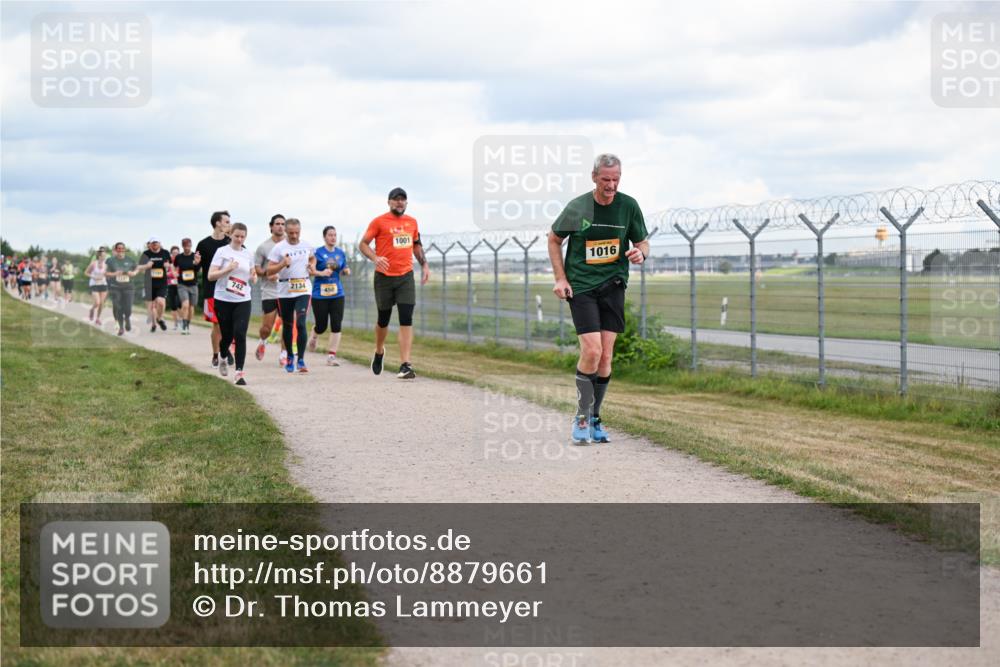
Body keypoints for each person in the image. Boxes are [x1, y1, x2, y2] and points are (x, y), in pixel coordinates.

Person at [547, 153, 649, 445]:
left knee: (605, 356)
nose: (611, 185)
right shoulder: (578, 207)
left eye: (616, 179)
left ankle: (594, 417)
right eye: (606, 179)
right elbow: (554, 239)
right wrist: (561, 278)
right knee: (591, 351)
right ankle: (581, 415)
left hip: (613, 285)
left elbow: (642, 242)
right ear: (594, 177)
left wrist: (641, 253)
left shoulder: (628, 206)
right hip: (582, 286)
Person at [358, 187, 430, 379]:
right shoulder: (379, 222)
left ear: (406, 202)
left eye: (403, 199)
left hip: (405, 276)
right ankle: (379, 350)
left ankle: (405, 365)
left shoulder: (412, 222)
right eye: (396, 199)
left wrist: (424, 265)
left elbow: (416, 245)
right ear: (389, 202)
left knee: (406, 317)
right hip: (384, 277)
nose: (400, 202)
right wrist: (375, 258)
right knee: (384, 319)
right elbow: (363, 244)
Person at [208, 222, 257, 385]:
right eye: (237, 236)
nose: (239, 239)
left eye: (243, 237)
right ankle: (222, 356)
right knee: (227, 336)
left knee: (240, 334)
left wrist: (254, 276)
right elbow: (210, 276)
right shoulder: (222, 252)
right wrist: (227, 269)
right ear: (230, 235)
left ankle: (239, 373)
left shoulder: (248, 254)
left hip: (243, 299)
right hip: (223, 299)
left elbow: (252, 272)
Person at [266, 217, 316, 374]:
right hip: (285, 290)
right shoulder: (279, 248)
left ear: (300, 231)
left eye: (297, 233)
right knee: (287, 325)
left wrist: (312, 265)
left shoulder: (307, 245)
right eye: (291, 233)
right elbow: (269, 271)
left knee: (300, 323)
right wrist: (282, 264)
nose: (294, 236)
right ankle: (289, 356)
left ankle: (300, 359)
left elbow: (312, 257)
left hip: (303, 288)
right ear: (286, 232)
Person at [309, 225, 351, 366]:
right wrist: (321, 273)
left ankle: (331, 356)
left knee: (336, 324)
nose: (333, 237)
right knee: (321, 326)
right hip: (319, 295)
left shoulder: (340, 253)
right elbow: (311, 271)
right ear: (324, 237)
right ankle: (315, 333)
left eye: (334, 235)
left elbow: (344, 267)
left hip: (337, 294)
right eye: (330, 235)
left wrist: (346, 271)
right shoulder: (317, 253)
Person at [196, 211, 232, 368]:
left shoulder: (231, 242)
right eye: (227, 221)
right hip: (211, 289)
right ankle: (216, 355)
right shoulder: (203, 244)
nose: (229, 224)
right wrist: (195, 263)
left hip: (230, 289)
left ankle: (225, 349)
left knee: (229, 324)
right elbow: (195, 269)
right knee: (217, 324)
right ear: (218, 223)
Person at [253, 214, 287, 364]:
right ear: (271, 226)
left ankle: (284, 353)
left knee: (288, 324)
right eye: (277, 224)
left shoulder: (291, 245)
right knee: (267, 327)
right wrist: (268, 274)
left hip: (288, 290)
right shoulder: (263, 247)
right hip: (270, 291)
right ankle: (263, 341)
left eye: (283, 224)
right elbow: (257, 269)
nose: (280, 226)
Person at [137, 237, 171, 333]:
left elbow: (170, 265)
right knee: (152, 306)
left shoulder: (165, 252)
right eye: (153, 243)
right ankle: (153, 324)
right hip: (149, 283)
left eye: (156, 242)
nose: (155, 244)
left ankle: (159, 318)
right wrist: (146, 266)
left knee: (161, 302)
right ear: (150, 244)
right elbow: (139, 267)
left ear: (159, 243)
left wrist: (167, 266)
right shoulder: (146, 254)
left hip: (162, 283)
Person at [105, 242, 138, 336]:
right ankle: (121, 328)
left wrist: (133, 273)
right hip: (115, 287)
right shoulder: (110, 260)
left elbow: (137, 269)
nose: (120, 250)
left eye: (122, 248)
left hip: (128, 287)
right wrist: (114, 274)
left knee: (128, 308)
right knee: (118, 306)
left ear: (124, 249)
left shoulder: (130, 260)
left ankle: (127, 318)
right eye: (118, 248)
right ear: (116, 250)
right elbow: (105, 273)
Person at [172, 238, 198, 334]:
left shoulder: (195, 256)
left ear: (191, 246)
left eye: (189, 246)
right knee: (185, 304)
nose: (187, 248)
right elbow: (174, 266)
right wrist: (174, 273)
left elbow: (198, 269)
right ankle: (184, 325)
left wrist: (196, 263)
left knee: (191, 307)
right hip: (182, 284)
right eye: (185, 246)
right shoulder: (179, 257)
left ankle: (187, 324)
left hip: (193, 285)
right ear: (182, 246)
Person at [85, 248, 109, 325]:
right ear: (99, 256)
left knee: (101, 303)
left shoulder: (106, 265)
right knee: (97, 302)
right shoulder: (93, 264)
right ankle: (92, 310)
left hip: (103, 284)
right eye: (103, 256)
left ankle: (98, 318)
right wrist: (94, 277)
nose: (104, 257)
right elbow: (86, 273)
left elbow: (106, 274)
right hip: (94, 284)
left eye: (105, 256)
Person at [166, 246, 181, 329]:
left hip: (180, 285)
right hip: (170, 285)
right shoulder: (168, 262)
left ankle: (182, 320)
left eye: (177, 253)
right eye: (174, 253)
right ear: (171, 254)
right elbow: (164, 273)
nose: (175, 254)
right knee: (173, 305)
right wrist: (171, 274)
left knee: (180, 304)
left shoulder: (181, 261)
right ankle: (175, 323)